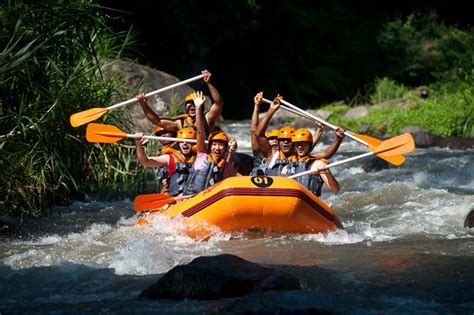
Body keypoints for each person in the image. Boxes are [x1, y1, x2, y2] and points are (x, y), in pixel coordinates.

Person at [252, 95, 346, 176]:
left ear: (294, 143)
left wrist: (338, 139)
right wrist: (271, 110)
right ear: (278, 143)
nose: (286, 142)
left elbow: (326, 154)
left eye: (289, 140)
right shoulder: (271, 154)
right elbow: (258, 133)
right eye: (282, 140)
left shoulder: (300, 155)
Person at [136, 69, 223, 139]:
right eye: (189, 104)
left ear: (201, 107)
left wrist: (209, 83)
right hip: (187, 157)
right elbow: (157, 121)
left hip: (203, 157)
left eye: (195, 103)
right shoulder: (180, 123)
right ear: (186, 108)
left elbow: (218, 103)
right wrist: (143, 104)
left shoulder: (208, 118)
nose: (193, 105)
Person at [184, 91, 239, 195]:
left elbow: (241, 178)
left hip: (210, 202)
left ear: (225, 148)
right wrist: (198, 108)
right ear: (209, 146)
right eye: (214, 144)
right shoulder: (202, 154)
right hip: (191, 198)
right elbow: (200, 131)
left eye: (221, 145)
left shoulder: (225, 165)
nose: (217, 148)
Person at [134, 127, 197, 197]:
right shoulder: (169, 158)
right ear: (178, 144)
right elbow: (145, 161)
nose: (185, 143)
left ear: (194, 143)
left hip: (196, 197)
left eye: (188, 141)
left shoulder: (201, 157)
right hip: (177, 199)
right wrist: (138, 143)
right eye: (182, 141)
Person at [284, 128, 340, 196]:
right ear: (294, 146)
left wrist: (328, 174)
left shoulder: (318, 164)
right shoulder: (287, 167)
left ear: (309, 146)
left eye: (303, 144)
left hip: (309, 202)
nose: (300, 147)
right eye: (297, 144)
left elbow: (335, 190)